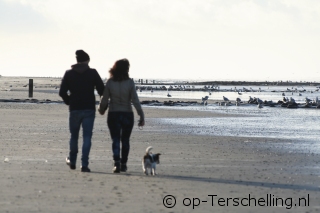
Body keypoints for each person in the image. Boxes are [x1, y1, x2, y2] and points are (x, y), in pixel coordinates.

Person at [59, 50, 105, 172]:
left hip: (74, 109)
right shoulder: (92, 73)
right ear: (86, 61)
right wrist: (103, 103)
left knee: (74, 136)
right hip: (89, 108)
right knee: (87, 137)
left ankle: (72, 160)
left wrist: (69, 101)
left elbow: (62, 92)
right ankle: (84, 164)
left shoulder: (69, 74)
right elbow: (102, 90)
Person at [98, 58, 145, 173]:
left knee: (115, 139)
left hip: (113, 114)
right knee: (125, 140)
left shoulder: (110, 82)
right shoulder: (129, 82)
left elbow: (104, 99)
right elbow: (135, 100)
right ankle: (124, 163)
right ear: (126, 69)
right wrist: (141, 114)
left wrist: (101, 109)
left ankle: (116, 163)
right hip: (127, 114)